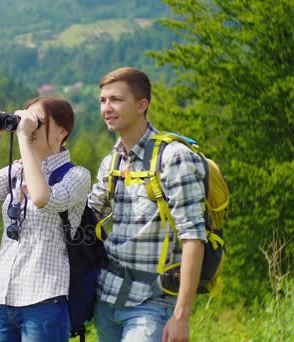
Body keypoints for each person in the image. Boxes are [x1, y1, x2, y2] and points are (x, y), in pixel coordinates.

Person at [0, 96, 91, 342]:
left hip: (43, 300)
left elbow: (43, 198)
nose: (29, 126)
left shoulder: (77, 176)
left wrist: (23, 137)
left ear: (62, 132)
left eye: (37, 122)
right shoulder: (15, 172)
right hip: (1, 298)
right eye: (25, 119)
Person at [88, 67, 206, 342]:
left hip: (152, 303)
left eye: (116, 100)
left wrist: (181, 316)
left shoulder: (174, 158)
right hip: (107, 300)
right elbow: (88, 216)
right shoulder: (113, 161)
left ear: (142, 105)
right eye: (103, 100)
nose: (107, 108)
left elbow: (193, 237)